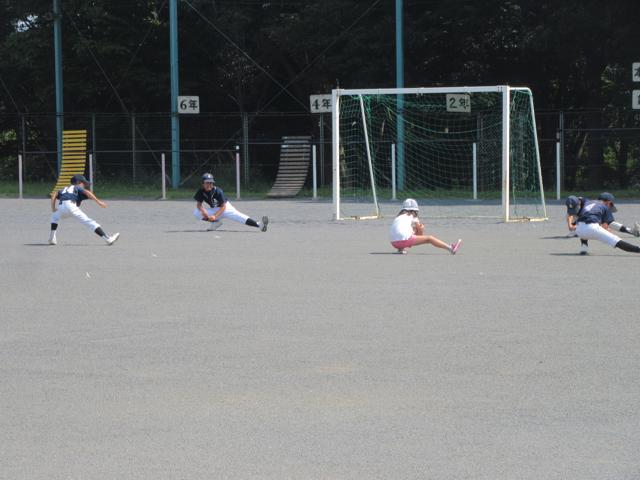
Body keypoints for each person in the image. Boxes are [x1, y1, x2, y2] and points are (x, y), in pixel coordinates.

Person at [48, 174, 120, 246]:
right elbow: (87, 192)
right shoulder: (76, 187)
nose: (84, 185)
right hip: (71, 206)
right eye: (83, 183)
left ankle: (52, 238)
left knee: (54, 217)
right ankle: (107, 239)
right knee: (89, 222)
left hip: (61, 207)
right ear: (78, 182)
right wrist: (99, 202)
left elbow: (54, 195)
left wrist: (53, 208)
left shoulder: (64, 189)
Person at [566, 193, 640, 254]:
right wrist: (607, 231)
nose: (610, 207)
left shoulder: (587, 202)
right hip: (592, 229)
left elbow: (576, 204)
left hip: (579, 230)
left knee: (584, 226)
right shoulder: (605, 207)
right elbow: (605, 226)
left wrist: (571, 225)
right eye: (611, 205)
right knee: (616, 241)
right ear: (609, 202)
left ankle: (584, 248)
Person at [193, 173, 268, 232]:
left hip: (226, 208)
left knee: (239, 217)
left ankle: (260, 225)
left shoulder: (218, 191)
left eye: (211, 183)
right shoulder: (201, 191)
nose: (209, 185)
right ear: (203, 183)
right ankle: (216, 222)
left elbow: (223, 206)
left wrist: (214, 216)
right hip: (215, 209)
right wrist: (203, 211)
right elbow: (199, 204)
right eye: (207, 182)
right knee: (196, 212)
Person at [389, 198, 462, 255]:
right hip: (403, 241)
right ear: (414, 210)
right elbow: (420, 234)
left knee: (407, 232)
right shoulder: (412, 216)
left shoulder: (398, 217)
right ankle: (451, 248)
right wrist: (421, 228)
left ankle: (400, 249)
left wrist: (415, 230)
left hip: (394, 243)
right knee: (429, 238)